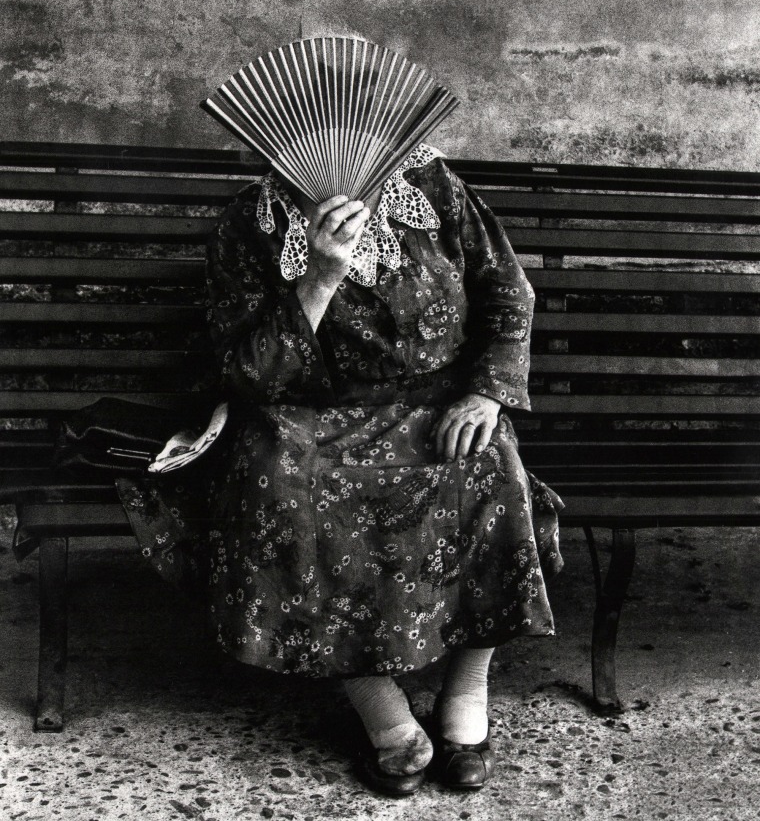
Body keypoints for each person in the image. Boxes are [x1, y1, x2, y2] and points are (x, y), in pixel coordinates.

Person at [118, 141, 563, 796]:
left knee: (492, 464)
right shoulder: (252, 223)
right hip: (310, 410)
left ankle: (467, 695)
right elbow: (250, 374)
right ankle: (383, 713)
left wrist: (486, 392)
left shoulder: (435, 189)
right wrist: (319, 277)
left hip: (437, 400)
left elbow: (506, 291)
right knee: (277, 484)